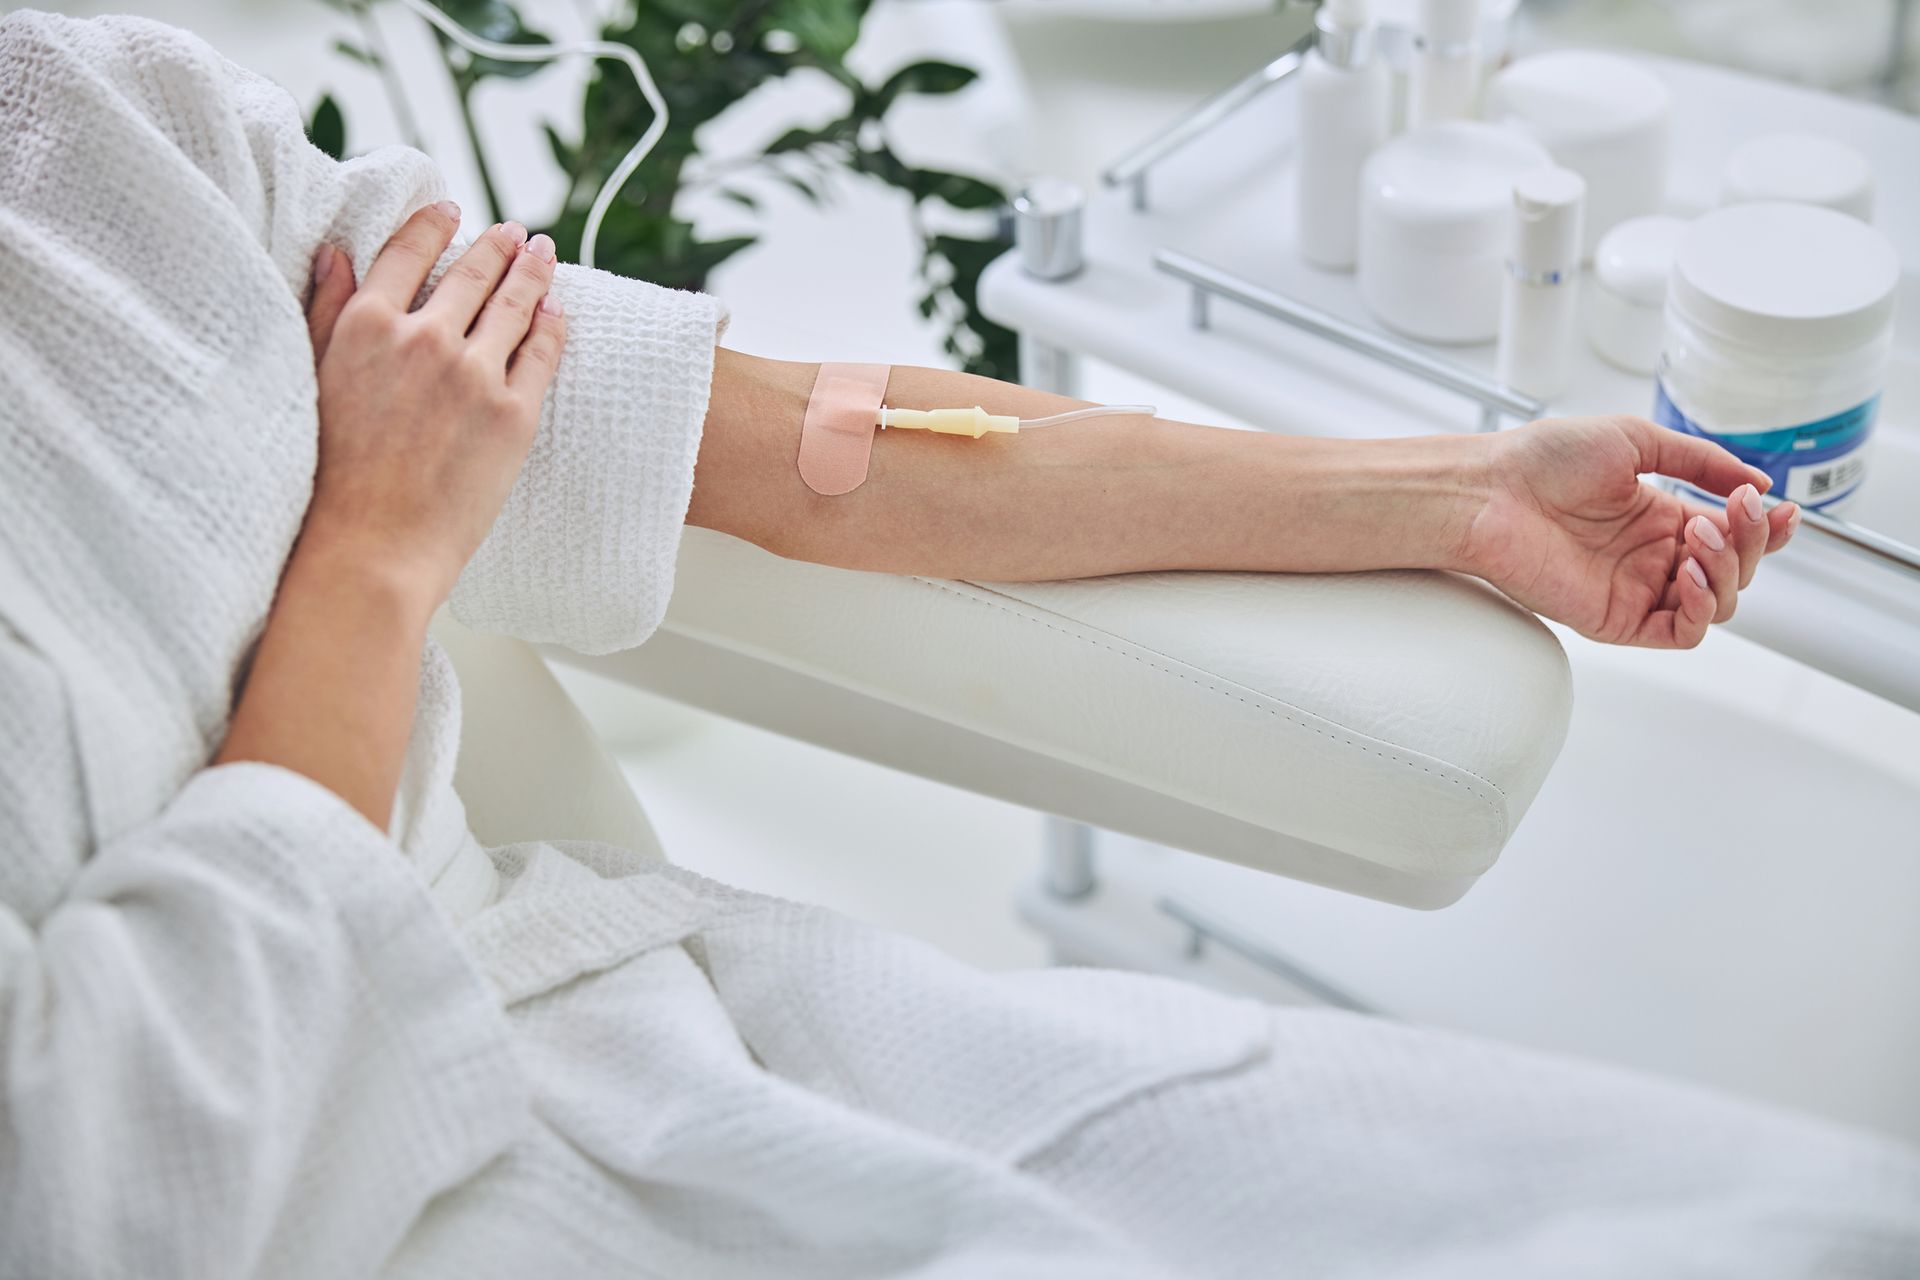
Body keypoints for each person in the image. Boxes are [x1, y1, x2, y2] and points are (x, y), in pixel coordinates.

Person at [0, 11, 1913, 1279]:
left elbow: (805, 440)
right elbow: (118, 1180)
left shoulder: (98, 130)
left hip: (667, 1026)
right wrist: (370, 555)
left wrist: (1463, 493)